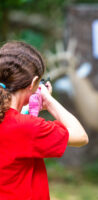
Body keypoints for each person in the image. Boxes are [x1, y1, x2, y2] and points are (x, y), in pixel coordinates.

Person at [0, 41, 89, 200]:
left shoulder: (20, 124)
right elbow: (80, 136)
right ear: (33, 83)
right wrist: (48, 101)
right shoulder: (27, 128)